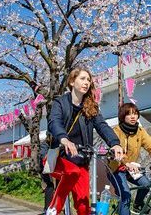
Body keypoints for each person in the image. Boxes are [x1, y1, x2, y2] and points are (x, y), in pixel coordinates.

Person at [47, 67, 123, 215]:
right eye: (82, 79)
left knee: (83, 207)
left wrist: (115, 143)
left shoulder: (91, 107)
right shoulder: (60, 102)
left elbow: (102, 126)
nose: (86, 82)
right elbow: (54, 122)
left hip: (80, 160)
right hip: (57, 156)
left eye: (88, 80)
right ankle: (53, 209)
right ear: (71, 81)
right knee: (72, 173)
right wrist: (64, 139)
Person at [108, 103, 151, 215]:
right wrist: (127, 163)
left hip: (131, 169)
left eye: (135, 114)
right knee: (126, 195)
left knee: (146, 184)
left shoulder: (140, 132)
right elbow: (116, 151)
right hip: (116, 169)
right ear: (123, 116)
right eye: (129, 114)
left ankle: (138, 205)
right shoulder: (116, 131)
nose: (133, 117)